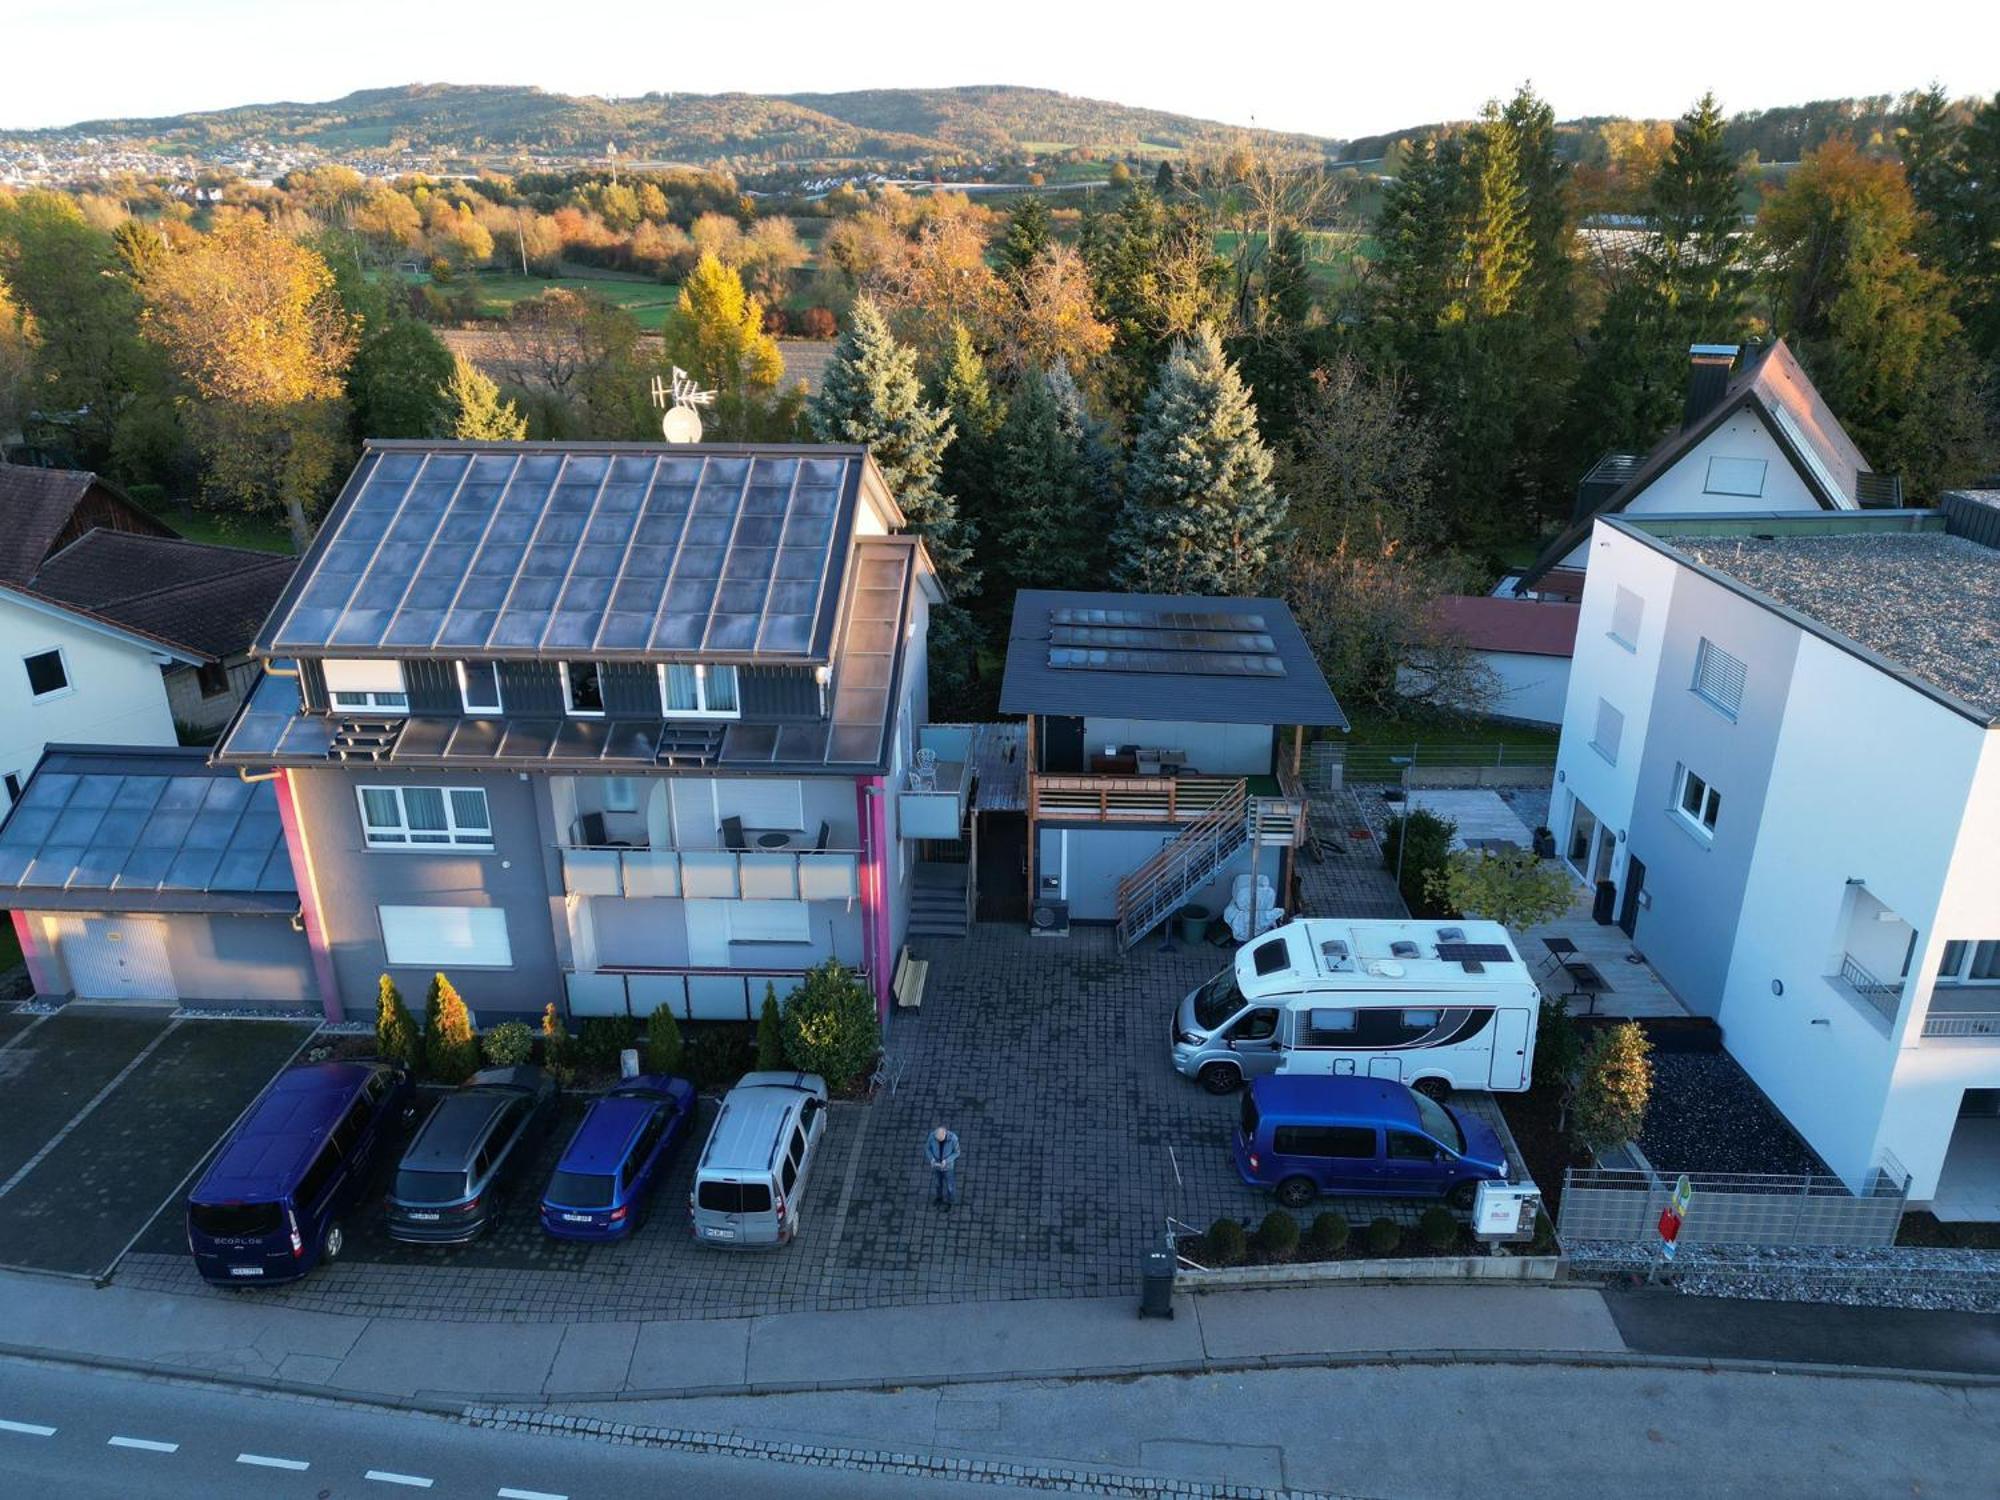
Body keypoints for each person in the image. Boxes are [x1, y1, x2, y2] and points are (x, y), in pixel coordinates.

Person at [926, 1125, 960, 1211]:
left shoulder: (953, 1139)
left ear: (945, 1134)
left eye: (940, 1140)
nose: (938, 1141)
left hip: (948, 1168)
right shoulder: (932, 1136)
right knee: (937, 1183)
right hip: (937, 1166)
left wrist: (946, 1161)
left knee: (950, 1186)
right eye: (937, 1139)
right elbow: (927, 1148)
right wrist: (932, 1159)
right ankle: (939, 1198)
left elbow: (957, 1153)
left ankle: (950, 1202)